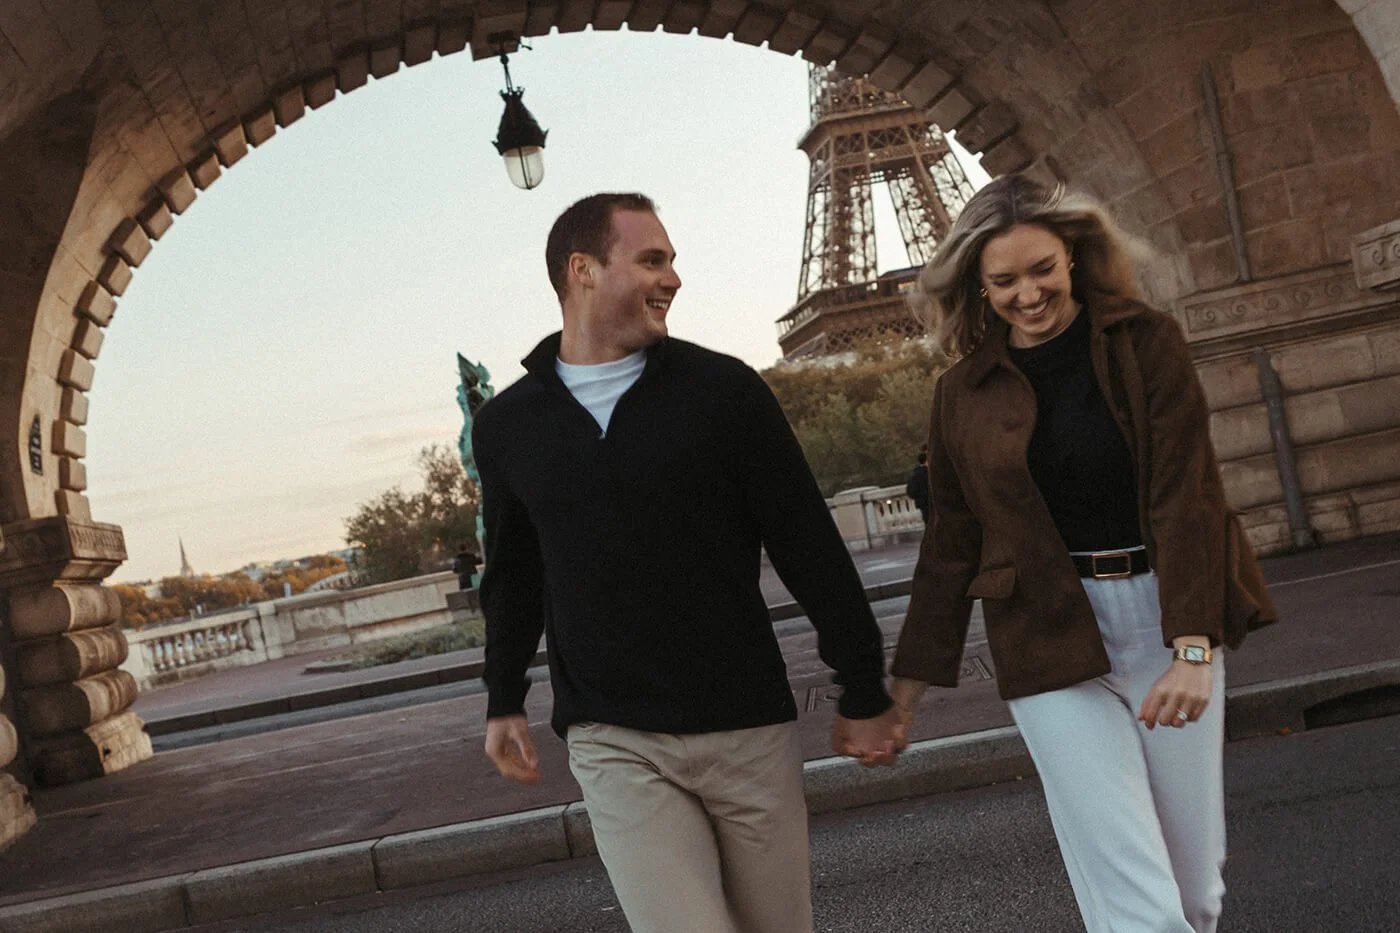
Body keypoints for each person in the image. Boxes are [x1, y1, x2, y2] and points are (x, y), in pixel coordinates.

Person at [472, 192, 903, 933]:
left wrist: (862, 687)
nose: (673, 278)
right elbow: (513, 574)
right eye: (652, 259)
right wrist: (503, 694)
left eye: (670, 260)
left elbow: (807, 543)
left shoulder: (724, 391)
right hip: (615, 740)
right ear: (582, 269)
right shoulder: (506, 425)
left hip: (746, 729)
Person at [888, 175, 1277, 933]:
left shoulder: (1146, 343)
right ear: (977, 283)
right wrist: (901, 692)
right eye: (1003, 281)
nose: (1027, 295)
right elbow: (951, 545)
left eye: (1041, 270)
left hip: (1165, 613)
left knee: (1195, 900)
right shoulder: (962, 391)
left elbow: (1187, 494)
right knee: (1145, 912)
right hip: (1047, 636)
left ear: (1072, 254)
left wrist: (1193, 647)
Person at [904, 446, 930, 523]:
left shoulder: (914, 474)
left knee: (927, 522)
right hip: (931, 502)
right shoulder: (929, 474)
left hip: (922, 504)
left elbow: (911, 491)